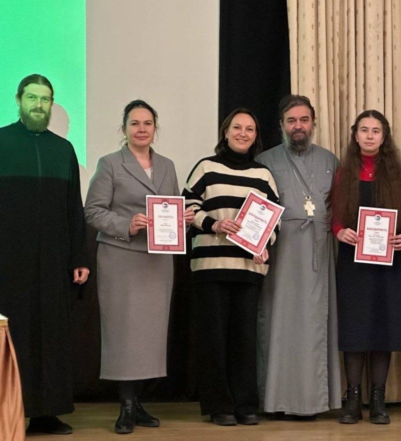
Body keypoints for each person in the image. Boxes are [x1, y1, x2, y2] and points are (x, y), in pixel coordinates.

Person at [84, 100, 194, 434]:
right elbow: (93, 211)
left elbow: (169, 211)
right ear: (124, 129)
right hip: (121, 258)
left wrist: (184, 219)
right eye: (134, 123)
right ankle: (127, 405)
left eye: (147, 123)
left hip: (158, 261)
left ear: (155, 129)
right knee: (124, 334)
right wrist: (127, 224)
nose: (141, 129)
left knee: (150, 336)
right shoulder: (109, 164)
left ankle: (139, 402)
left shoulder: (167, 165)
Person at [0, 74, 90, 435]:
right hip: (9, 262)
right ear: (18, 100)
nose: (39, 105)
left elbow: (74, 209)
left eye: (45, 99)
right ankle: (8, 413)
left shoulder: (63, 150)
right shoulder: (1, 142)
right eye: (32, 97)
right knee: (13, 337)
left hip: (54, 262)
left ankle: (46, 413)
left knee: (51, 337)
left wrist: (79, 257)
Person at [183, 108, 278, 427]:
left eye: (249, 129)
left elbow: (273, 220)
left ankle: (245, 404)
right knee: (213, 339)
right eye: (237, 127)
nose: (242, 133)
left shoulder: (263, 175)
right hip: (210, 266)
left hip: (248, 269)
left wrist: (265, 243)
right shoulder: (205, 168)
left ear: (256, 136)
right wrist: (214, 224)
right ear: (225, 132)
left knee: (244, 340)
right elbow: (187, 207)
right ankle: (219, 405)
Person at [256, 95, 342, 417]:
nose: (298, 126)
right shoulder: (264, 161)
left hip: (319, 251)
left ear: (313, 123)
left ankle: (315, 400)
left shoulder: (330, 160)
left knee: (315, 325)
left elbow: (340, 209)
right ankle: (276, 399)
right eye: (291, 121)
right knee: (278, 323)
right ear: (281, 125)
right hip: (280, 252)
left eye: (304, 120)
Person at [332, 110, 401, 424]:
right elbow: (336, 216)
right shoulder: (343, 172)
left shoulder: (399, 172)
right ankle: (353, 399)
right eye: (364, 130)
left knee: (384, 327)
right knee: (354, 327)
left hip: (389, 261)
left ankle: (379, 400)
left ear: (384, 136)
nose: (370, 136)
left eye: (376, 131)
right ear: (355, 135)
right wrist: (339, 231)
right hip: (352, 262)